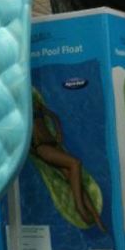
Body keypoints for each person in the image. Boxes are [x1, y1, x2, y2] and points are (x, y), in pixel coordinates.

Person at [30, 93, 105, 232]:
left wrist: (59, 133)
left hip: (52, 144)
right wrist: (35, 153)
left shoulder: (35, 105)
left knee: (74, 179)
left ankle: (96, 218)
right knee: (75, 163)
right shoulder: (19, 113)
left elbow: (54, 117)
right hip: (42, 148)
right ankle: (80, 208)